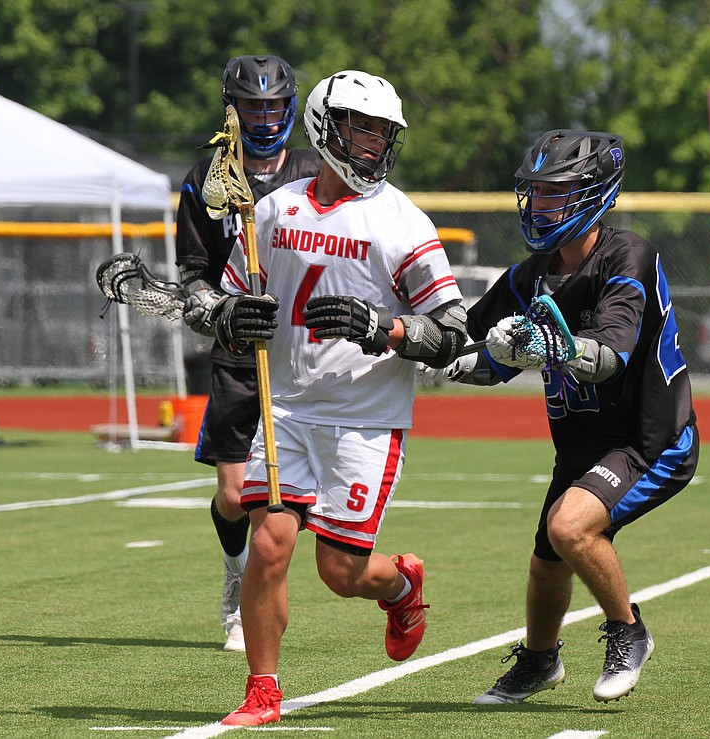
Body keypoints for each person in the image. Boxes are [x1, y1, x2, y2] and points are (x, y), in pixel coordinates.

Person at [183, 69, 468, 726]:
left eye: (381, 130)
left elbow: (451, 330)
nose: (370, 141)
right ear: (326, 123)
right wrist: (227, 315)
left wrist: (385, 327)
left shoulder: (402, 223)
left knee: (340, 572)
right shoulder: (277, 209)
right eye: (359, 125)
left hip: (364, 422)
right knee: (270, 544)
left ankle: (400, 585)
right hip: (284, 412)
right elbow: (223, 295)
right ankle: (262, 690)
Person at [439, 130, 699, 704]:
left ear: (594, 194)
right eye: (536, 192)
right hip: (583, 444)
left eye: (557, 193)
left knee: (569, 527)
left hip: (648, 438)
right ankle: (538, 661)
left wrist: (543, 349)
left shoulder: (628, 256)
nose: (541, 205)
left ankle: (629, 631)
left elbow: (609, 357)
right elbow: (464, 339)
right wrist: (392, 334)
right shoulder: (530, 275)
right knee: (547, 562)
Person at [176, 54, 322, 653]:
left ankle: (262, 605)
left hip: (305, 356)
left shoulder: (319, 171)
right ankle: (237, 580)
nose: (264, 118)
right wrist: (221, 309)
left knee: (280, 502)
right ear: (231, 109)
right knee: (236, 498)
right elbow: (193, 278)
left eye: (274, 106)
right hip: (239, 352)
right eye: (252, 106)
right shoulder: (206, 178)